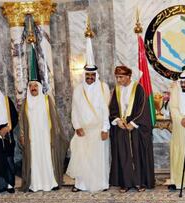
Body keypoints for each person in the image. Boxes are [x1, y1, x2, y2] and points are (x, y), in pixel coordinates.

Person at [66, 33, 111, 192]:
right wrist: (76, 126)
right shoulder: (78, 89)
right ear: (84, 75)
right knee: (81, 157)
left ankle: (101, 184)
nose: (90, 77)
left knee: (98, 159)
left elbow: (106, 110)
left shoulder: (103, 87)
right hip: (83, 130)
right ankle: (80, 184)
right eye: (88, 75)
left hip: (98, 130)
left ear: (96, 75)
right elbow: (74, 110)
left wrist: (105, 129)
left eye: (92, 75)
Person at [109, 65, 155, 193]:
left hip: (136, 129)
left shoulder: (138, 88)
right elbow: (113, 108)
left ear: (129, 76)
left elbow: (143, 109)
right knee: (123, 155)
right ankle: (125, 183)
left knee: (136, 155)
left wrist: (133, 123)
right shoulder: (117, 90)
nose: (118, 80)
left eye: (121, 77)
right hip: (121, 127)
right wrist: (117, 120)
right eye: (117, 77)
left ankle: (140, 182)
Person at [19, 80, 68, 192]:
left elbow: (54, 118)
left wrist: (55, 134)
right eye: (31, 86)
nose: (33, 88)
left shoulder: (46, 100)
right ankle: (35, 184)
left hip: (46, 134)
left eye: (36, 85)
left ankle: (51, 182)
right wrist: (22, 135)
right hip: (32, 136)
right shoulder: (25, 103)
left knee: (47, 157)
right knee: (34, 159)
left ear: (40, 87)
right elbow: (21, 120)